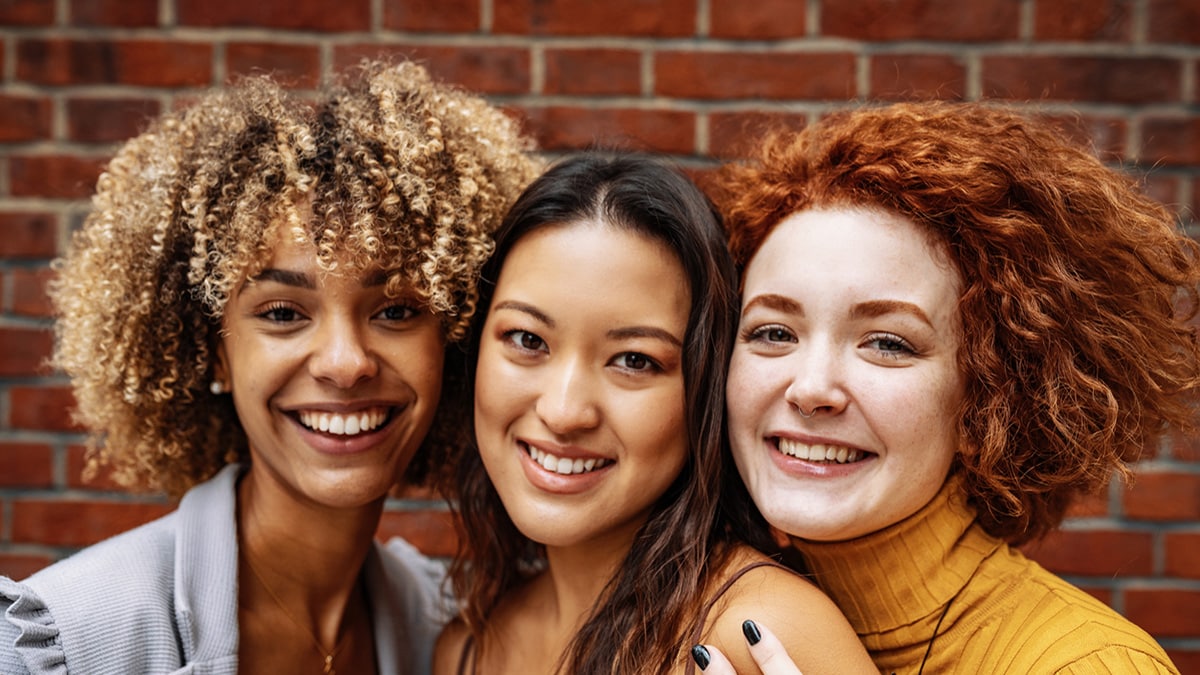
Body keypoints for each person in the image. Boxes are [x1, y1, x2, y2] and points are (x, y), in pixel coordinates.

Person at [0, 59, 538, 674]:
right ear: (215, 351)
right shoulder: (67, 644)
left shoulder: (446, 634)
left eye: (394, 310)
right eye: (283, 313)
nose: (345, 364)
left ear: (452, 337)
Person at [693, 101, 1199, 674]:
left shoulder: (1084, 663)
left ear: (990, 397)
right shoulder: (685, 613)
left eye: (887, 343)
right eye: (774, 331)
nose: (810, 388)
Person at [432, 153, 875, 675]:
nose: (564, 411)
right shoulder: (464, 650)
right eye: (528, 340)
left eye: (634, 360)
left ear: (704, 389)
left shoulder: (761, 631)